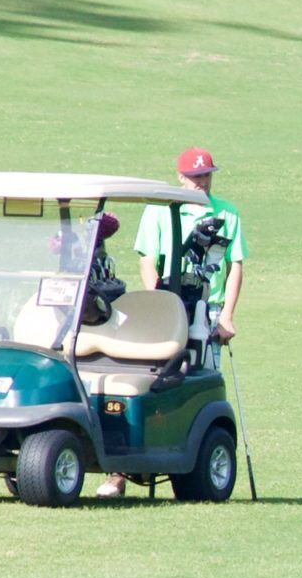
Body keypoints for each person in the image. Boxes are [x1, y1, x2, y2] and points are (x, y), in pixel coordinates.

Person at [96, 147, 247, 499]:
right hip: (164, 308)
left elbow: (235, 265)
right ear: (181, 177)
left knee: (201, 386)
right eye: (195, 177)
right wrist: (160, 307)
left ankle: (195, 470)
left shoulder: (228, 212)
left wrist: (226, 316)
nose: (201, 182)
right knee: (147, 380)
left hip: (206, 313)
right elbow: (149, 261)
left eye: (206, 175)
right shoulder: (158, 211)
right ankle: (119, 473)